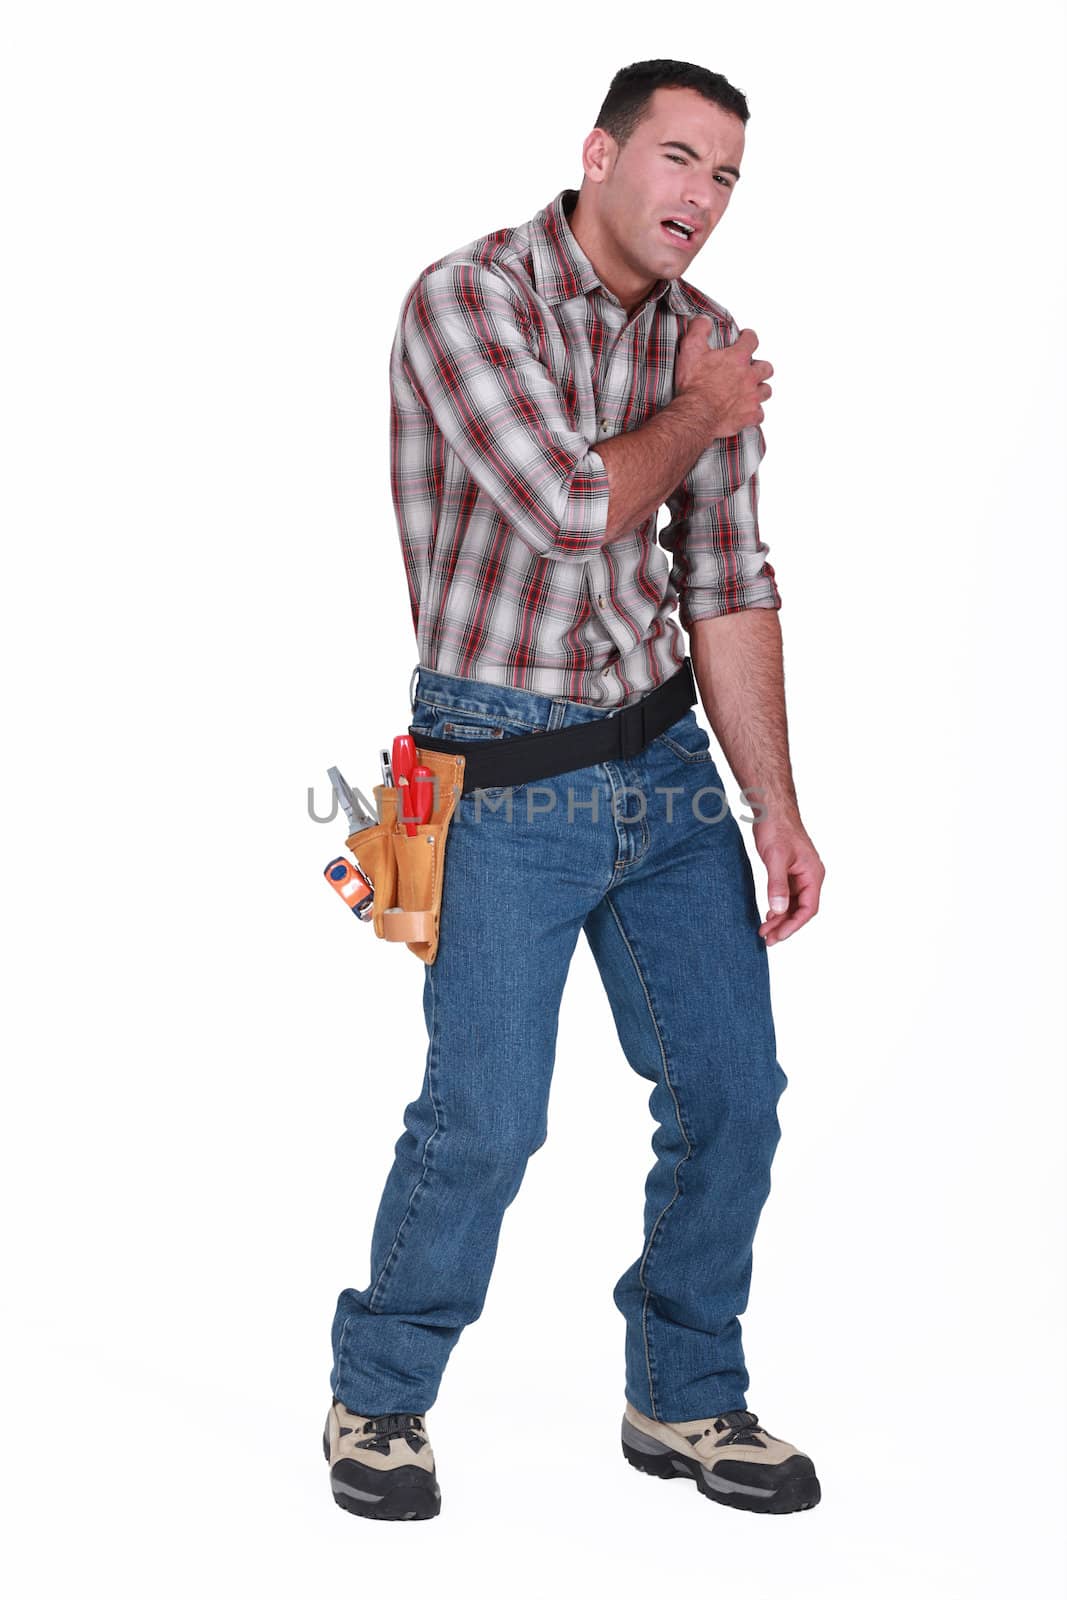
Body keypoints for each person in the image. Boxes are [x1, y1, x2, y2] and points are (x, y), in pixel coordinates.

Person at [324, 57, 826, 1522]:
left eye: (726, 175)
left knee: (735, 1091)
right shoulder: (470, 302)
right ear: (599, 155)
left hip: (664, 766)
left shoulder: (712, 346)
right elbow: (563, 507)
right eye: (678, 158)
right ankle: (381, 1395)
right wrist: (702, 412)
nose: (700, 197)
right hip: (494, 776)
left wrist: (776, 806)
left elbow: (728, 584)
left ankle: (684, 1397)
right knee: (484, 1117)